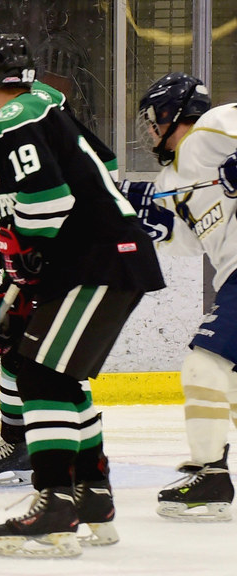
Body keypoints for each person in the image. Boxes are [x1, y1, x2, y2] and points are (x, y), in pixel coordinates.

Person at [0, 33, 164, 557]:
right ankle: (91, 494)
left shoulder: (11, 121)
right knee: (58, 372)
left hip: (94, 260)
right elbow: (106, 169)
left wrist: (11, 246)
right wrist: (17, 246)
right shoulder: (50, 108)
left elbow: (48, 207)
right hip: (107, 253)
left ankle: (53, 504)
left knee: (37, 372)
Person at [0, 23, 119, 487]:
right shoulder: (1, 112)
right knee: (22, 351)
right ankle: (40, 452)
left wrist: (22, 241)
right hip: (53, 243)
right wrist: (3, 234)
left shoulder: (25, 108)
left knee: (42, 362)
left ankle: (59, 469)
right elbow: (25, 188)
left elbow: (91, 172)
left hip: (70, 248)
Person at [122, 72, 237, 522]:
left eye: (153, 120)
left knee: (204, 363)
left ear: (171, 114)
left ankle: (211, 475)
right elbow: (178, 238)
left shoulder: (215, 127)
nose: (150, 130)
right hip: (232, 279)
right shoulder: (174, 178)